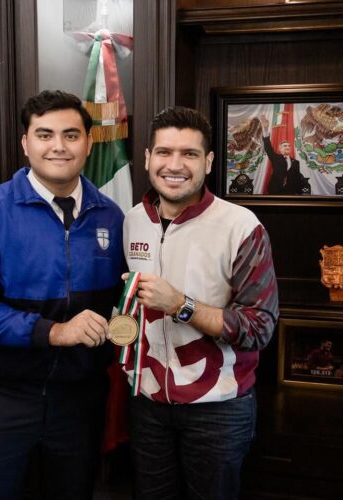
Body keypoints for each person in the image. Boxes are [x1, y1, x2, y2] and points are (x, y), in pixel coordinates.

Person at [0, 90, 125, 500]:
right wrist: (55, 332)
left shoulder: (112, 216)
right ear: (25, 143)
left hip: (79, 401)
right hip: (3, 396)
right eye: (45, 135)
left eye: (71, 135)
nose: (58, 146)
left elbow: (122, 300)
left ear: (89, 143)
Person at [122, 106, 279, 499]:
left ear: (208, 162)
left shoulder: (241, 227)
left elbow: (259, 328)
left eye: (189, 154)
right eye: (164, 152)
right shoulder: (131, 220)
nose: (175, 165)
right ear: (148, 158)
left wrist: (180, 304)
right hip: (147, 403)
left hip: (218, 408)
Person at [259, 114, 304, 195]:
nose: (287, 147)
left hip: (290, 193)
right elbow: (268, 147)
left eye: (289, 146)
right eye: (285, 146)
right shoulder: (275, 158)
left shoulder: (296, 163)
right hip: (275, 191)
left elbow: (297, 179)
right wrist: (265, 129)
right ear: (280, 149)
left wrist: (299, 194)